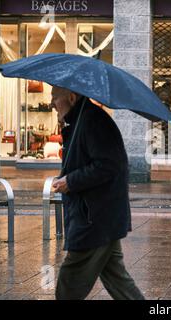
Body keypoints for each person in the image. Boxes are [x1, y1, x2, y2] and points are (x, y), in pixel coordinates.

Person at [51, 86, 145, 300]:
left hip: (94, 218)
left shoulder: (92, 121)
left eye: (55, 98)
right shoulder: (80, 121)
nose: (52, 104)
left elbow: (108, 165)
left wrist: (71, 181)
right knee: (117, 279)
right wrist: (66, 177)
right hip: (99, 216)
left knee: (69, 283)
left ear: (72, 98)